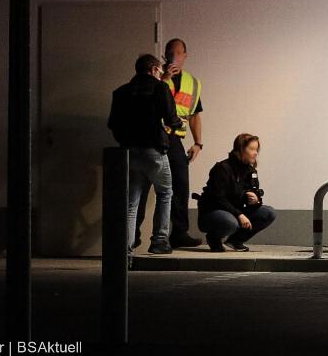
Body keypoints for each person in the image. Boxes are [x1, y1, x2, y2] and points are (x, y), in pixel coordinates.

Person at [107, 54, 183, 258]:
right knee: (165, 193)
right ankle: (159, 241)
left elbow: (113, 124)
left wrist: (125, 142)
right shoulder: (160, 88)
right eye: (159, 70)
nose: (161, 74)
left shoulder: (121, 92)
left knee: (132, 201)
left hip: (129, 152)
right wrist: (178, 124)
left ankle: (126, 250)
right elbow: (170, 116)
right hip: (154, 149)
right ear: (153, 69)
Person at [133, 38, 204, 248]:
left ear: (185, 55)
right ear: (164, 55)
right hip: (154, 135)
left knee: (181, 184)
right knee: (143, 186)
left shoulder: (193, 82)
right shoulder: (153, 75)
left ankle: (179, 232)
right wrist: (164, 78)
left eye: (178, 53)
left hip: (175, 139)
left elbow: (194, 114)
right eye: (169, 53)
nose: (173, 57)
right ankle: (134, 234)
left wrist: (198, 143)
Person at [197, 133, 276, 252]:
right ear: (240, 149)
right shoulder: (222, 168)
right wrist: (239, 214)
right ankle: (213, 238)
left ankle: (235, 241)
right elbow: (218, 198)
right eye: (252, 149)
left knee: (268, 213)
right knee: (231, 223)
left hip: (236, 212)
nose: (256, 153)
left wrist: (256, 200)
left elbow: (254, 192)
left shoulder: (251, 170)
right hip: (213, 212)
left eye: (257, 149)